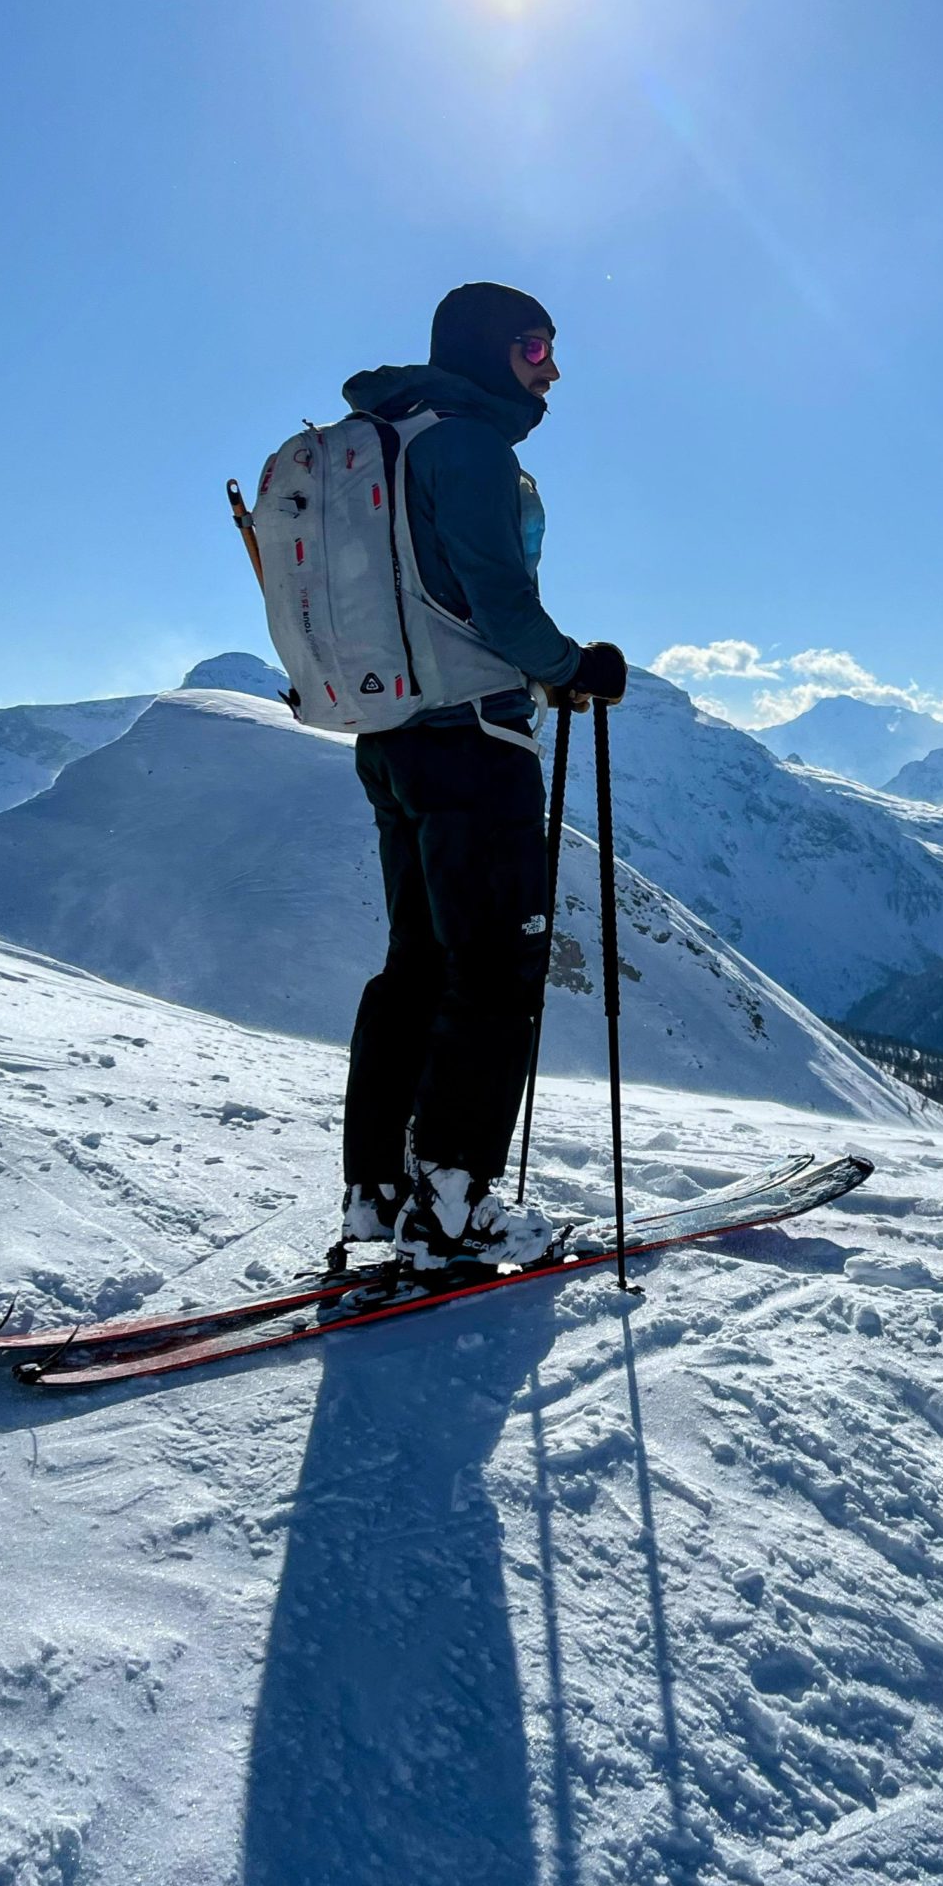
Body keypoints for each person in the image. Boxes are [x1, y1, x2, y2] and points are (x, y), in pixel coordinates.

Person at [335, 281, 626, 1269]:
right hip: (472, 742)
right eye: (534, 347)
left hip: (393, 742)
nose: (552, 369)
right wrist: (572, 667)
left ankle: (378, 1192)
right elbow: (498, 602)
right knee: (497, 970)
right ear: (485, 348)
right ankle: (454, 1203)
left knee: (417, 964)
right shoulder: (467, 445)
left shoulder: (387, 439)